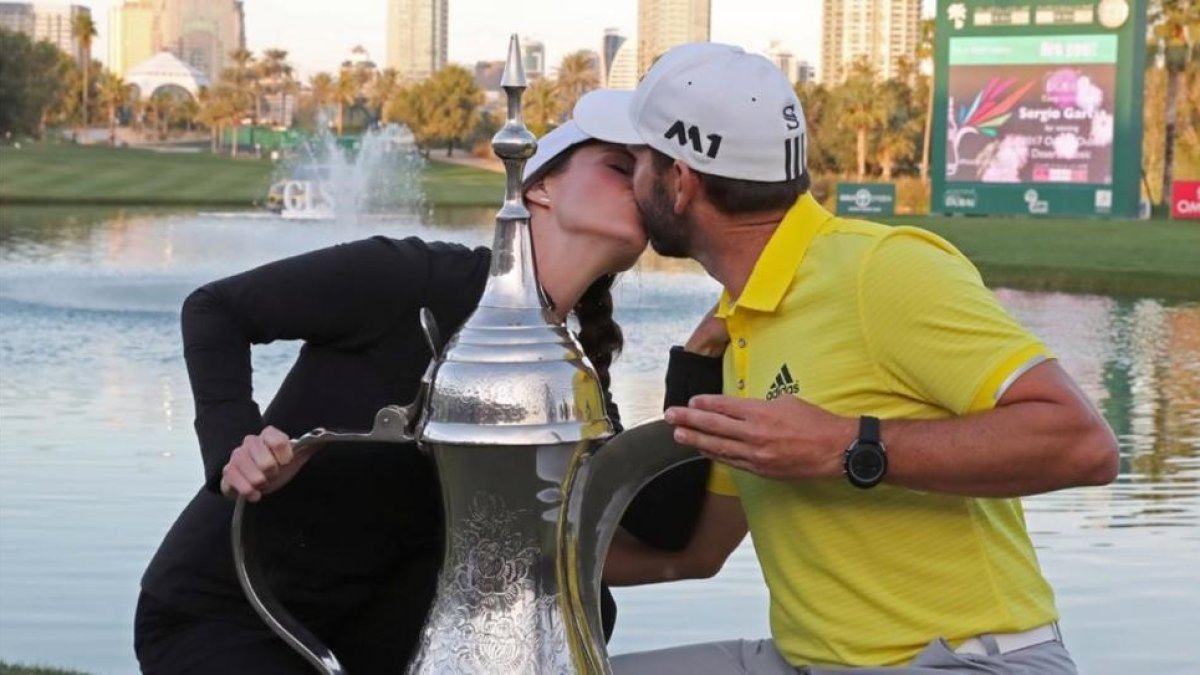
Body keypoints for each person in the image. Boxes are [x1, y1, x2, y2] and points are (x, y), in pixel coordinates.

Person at [582, 44, 1120, 674]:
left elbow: (1083, 445)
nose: (630, 180)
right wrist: (510, 565)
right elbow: (700, 552)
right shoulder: (739, 322)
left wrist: (846, 446)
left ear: (680, 184)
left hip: (965, 661)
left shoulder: (880, 270)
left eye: (637, 162)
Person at [134, 120, 711, 674]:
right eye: (619, 166)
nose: (641, 183)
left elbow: (661, 528)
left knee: (576, 606)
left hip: (375, 625)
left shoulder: (570, 370)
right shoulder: (413, 280)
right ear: (541, 189)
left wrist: (701, 358)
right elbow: (215, 309)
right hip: (231, 615)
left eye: (649, 174)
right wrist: (235, 442)